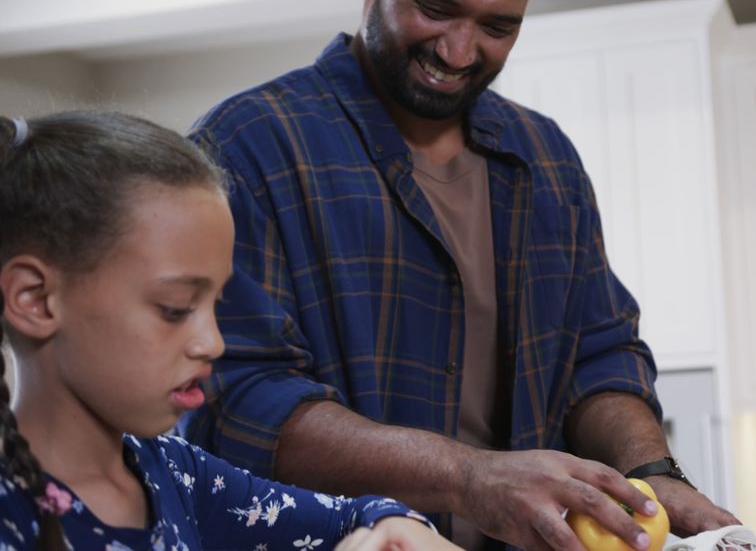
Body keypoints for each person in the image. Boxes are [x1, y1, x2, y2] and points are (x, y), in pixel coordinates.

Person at [181, 0, 742, 549]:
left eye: (497, 28)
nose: (458, 52)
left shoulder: (547, 158)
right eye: (435, 8)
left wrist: (650, 474)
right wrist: (467, 478)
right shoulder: (247, 147)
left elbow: (598, 355)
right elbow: (240, 403)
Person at [0, 111, 461, 551]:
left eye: (214, 305)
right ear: (35, 299)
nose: (213, 343)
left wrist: (394, 526)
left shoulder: (173, 471)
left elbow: (359, 516)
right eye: (175, 309)